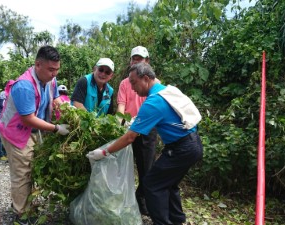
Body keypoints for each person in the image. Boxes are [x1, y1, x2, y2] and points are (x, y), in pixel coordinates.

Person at [87, 62, 203, 225]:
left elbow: (129, 138)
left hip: (182, 149)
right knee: (169, 183)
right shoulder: (168, 90)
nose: (132, 88)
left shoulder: (154, 101)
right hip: (194, 143)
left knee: (152, 184)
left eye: (133, 83)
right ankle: (177, 220)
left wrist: (104, 152)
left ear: (146, 78)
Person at [0, 45, 70, 224]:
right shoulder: (24, 86)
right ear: (38, 65)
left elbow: (53, 98)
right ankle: (21, 213)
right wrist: (55, 128)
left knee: (32, 168)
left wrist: (63, 106)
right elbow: (28, 119)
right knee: (22, 171)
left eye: (57, 69)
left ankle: (26, 204)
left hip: (34, 130)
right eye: (51, 69)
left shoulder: (50, 79)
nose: (54, 74)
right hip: (16, 133)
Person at [116, 46, 157, 215]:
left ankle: (142, 199)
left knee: (146, 168)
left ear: (146, 61)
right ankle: (122, 199)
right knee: (122, 167)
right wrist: (119, 123)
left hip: (147, 129)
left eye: (140, 59)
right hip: (128, 128)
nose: (136, 61)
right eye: (134, 58)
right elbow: (121, 105)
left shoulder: (153, 82)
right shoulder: (125, 83)